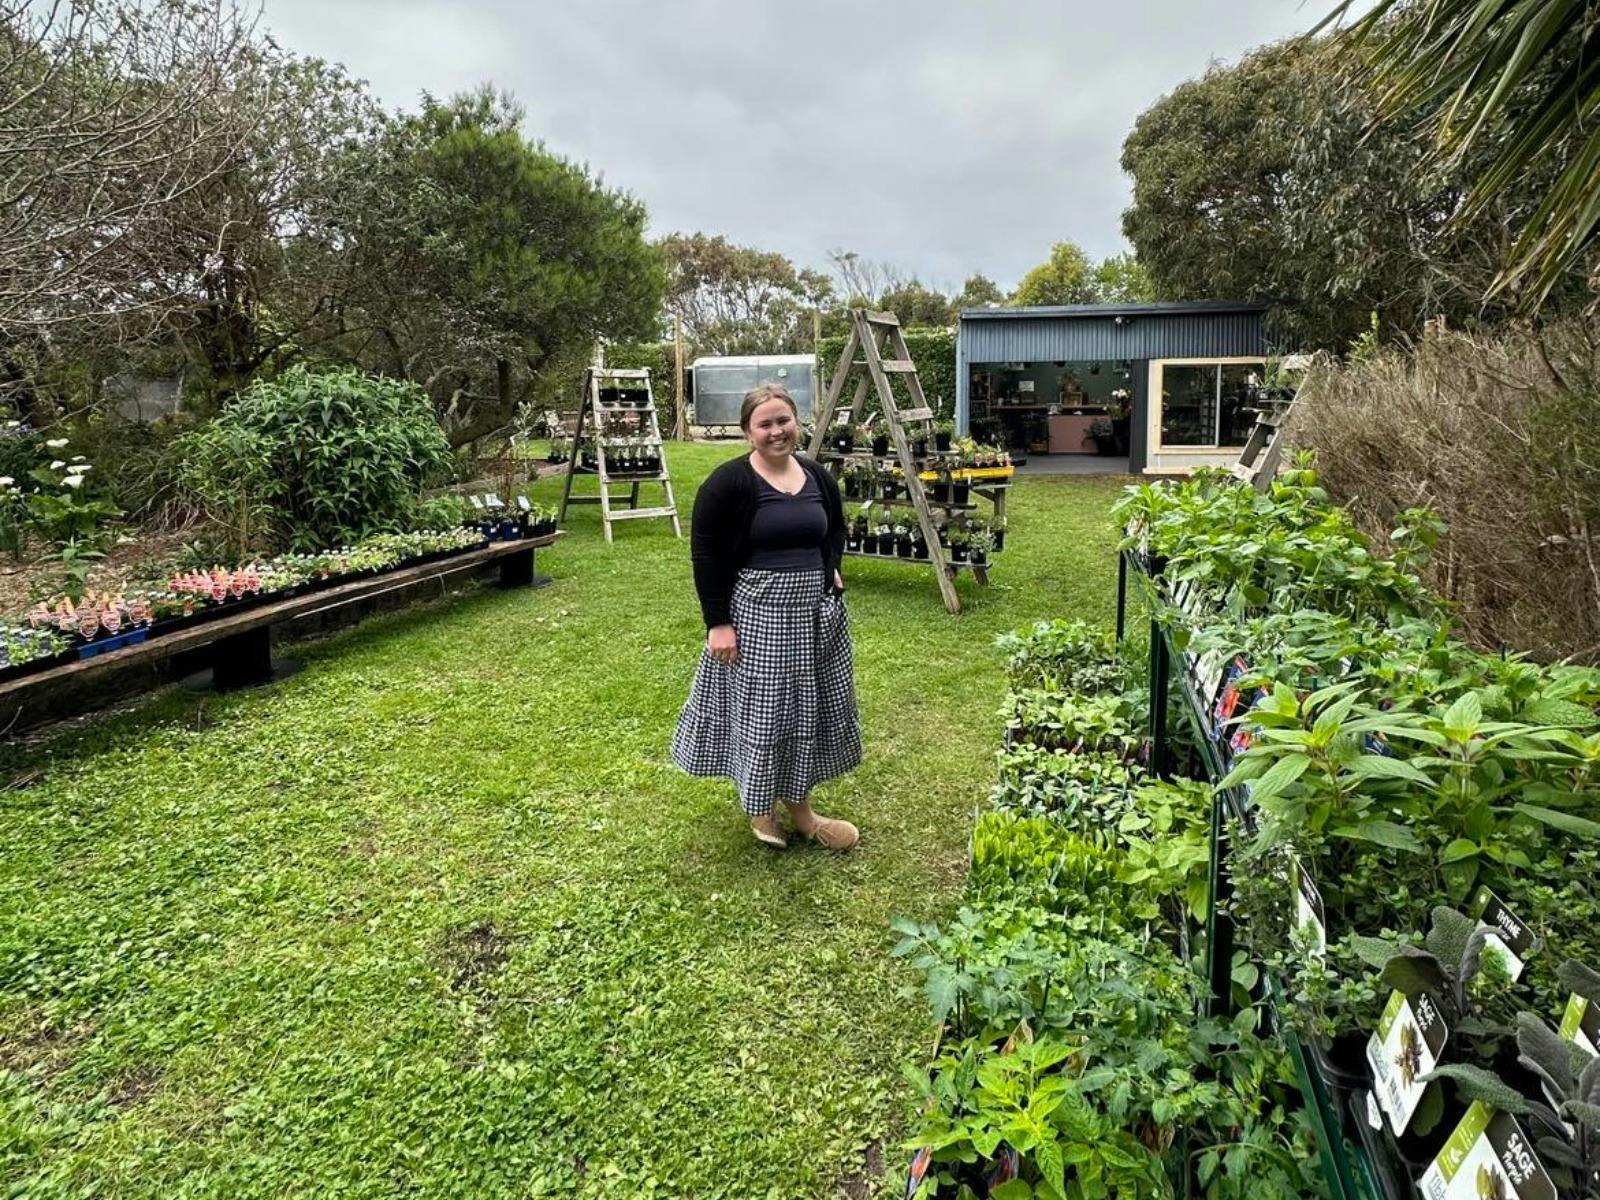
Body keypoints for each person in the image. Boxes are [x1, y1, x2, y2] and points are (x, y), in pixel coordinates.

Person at [671, 381, 863, 850]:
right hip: (759, 617)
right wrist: (718, 622)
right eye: (765, 424)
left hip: (815, 618)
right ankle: (760, 809)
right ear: (746, 431)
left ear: (796, 422)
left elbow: (834, 528)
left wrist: (830, 567)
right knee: (765, 715)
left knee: (808, 712)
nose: (777, 431)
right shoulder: (729, 483)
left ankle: (803, 812)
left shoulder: (817, 476)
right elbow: (707, 553)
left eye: (784, 421)